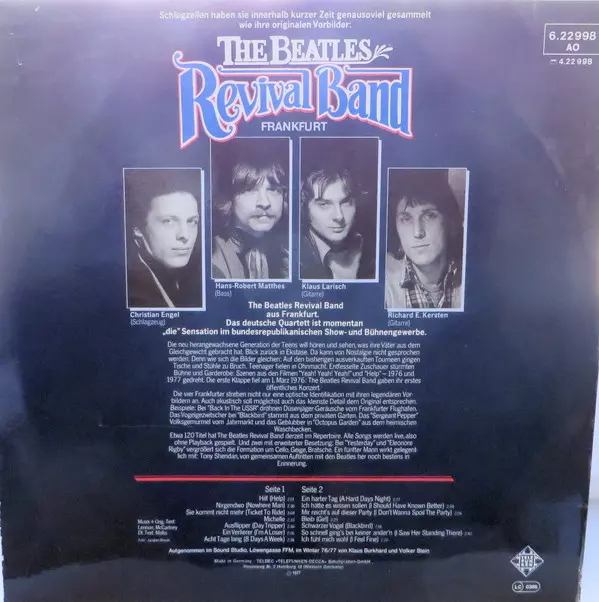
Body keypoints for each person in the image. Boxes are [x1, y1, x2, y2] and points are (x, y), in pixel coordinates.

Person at [385, 169, 464, 309]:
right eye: (406, 219)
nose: (418, 232)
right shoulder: (383, 286)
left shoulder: (472, 278)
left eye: (429, 216)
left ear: (450, 221)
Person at [125, 169, 203, 308]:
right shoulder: (131, 290)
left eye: (192, 221)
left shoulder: (194, 280)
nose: (185, 235)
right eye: (168, 221)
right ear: (137, 228)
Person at [212, 146, 289, 280]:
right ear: (229, 198)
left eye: (273, 189)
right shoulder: (212, 261)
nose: (264, 202)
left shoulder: (288, 253)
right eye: (250, 190)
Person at [300, 168, 375, 280]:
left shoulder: (371, 249)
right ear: (305, 208)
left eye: (346, 202)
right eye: (324, 204)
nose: (339, 216)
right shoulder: (292, 258)